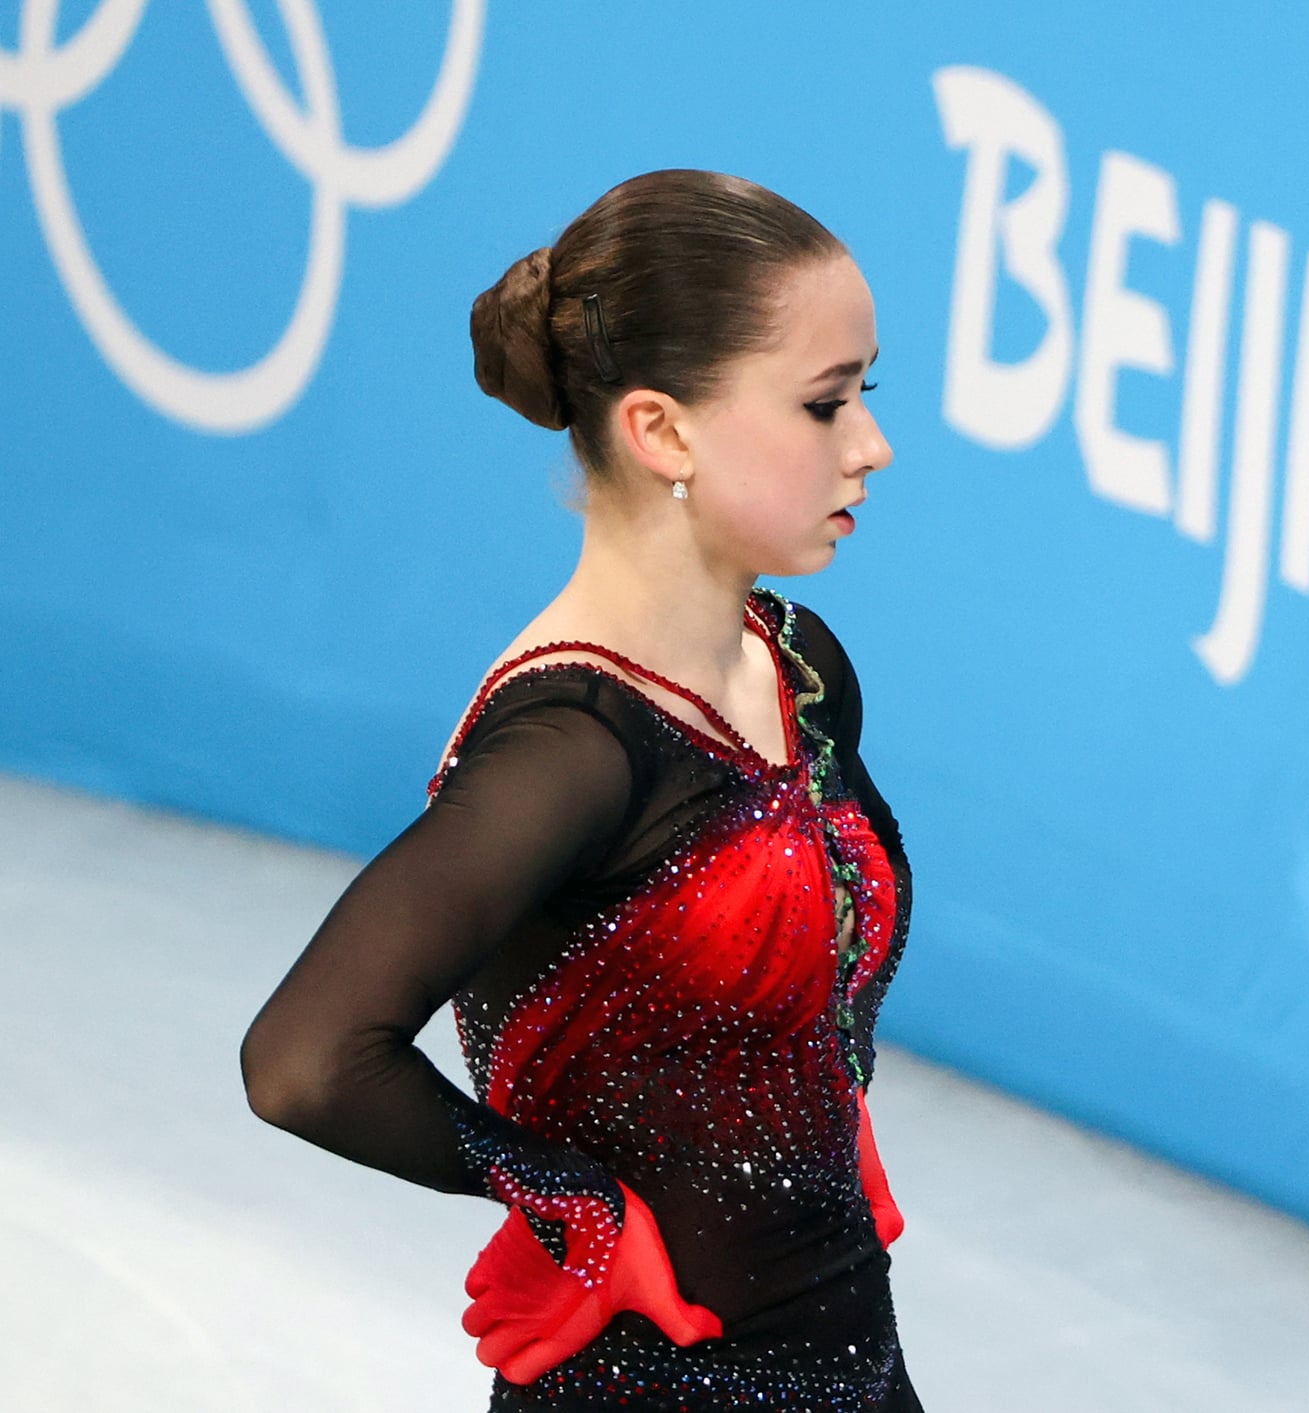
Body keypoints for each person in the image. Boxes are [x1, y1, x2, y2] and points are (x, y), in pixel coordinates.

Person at [239, 169, 918, 1411]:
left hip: (849, 1352)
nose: (869, 444)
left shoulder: (800, 666)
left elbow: (772, 999)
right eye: (824, 404)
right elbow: (305, 1058)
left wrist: (829, 1113)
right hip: (648, 1385)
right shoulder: (571, 745)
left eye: (865, 392)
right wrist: (573, 1205)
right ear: (661, 430)